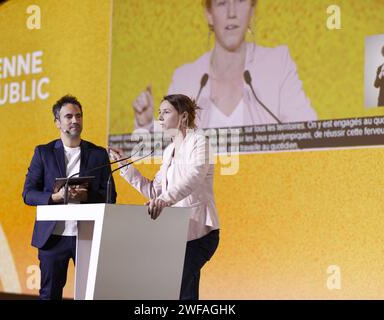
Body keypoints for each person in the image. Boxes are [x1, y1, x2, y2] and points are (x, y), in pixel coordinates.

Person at [133, 0, 317, 131]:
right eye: (222, 2)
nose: (232, 13)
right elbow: (168, 152)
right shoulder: (185, 78)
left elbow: (308, 135)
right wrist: (147, 125)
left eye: (240, 1)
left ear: (252, 10)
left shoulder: (277, 64)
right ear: (209, 14)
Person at [110, 94, 220, 300]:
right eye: (159, 113)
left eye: (166, 112)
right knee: (186, 296)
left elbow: (194, 176)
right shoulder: (169, 150)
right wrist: (124, 165)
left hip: (201, 233)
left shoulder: (199, 142)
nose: (159, 118)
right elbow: (154, 191)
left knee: (172, 290)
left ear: (184, 117)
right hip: (177, 234)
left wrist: (164, 200)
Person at [22, 94, 117, 300]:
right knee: (49, 294)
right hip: (52, 237)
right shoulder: (43, 153)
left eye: (79, 116)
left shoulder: (98, 154)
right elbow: (28, 194)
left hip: (87, 235)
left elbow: (111, 196)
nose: (75, 120)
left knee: (92, 295)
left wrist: (87, 195)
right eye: (68, 116)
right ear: (57, 122)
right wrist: (55, 197)